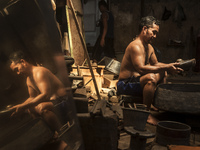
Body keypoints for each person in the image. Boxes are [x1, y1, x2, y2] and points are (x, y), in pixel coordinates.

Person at [117, 16, 183, 125]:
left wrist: (171, 66)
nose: (155, 36)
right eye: (153, 32)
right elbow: (141, 68)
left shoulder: (149, 47)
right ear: (144, 29)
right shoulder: (135, 46)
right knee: (151, 78)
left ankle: (157, 103)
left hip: (138, 81)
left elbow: (156, 64)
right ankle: (146, 114)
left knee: (163, 72)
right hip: (125, 84)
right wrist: (167, 66)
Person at [9, 51, 67, 132]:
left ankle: (61, 132)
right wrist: (19, 107)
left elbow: (45, 95)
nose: (18, 73)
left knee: (42, 107)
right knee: (30, 109)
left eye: (17, 69)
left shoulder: (39, 72)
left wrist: (23, 107)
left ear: (23, 62)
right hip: (54, 102)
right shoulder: (28, 79)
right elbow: (32, 97)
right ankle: (48, 133)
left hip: (64, 101)